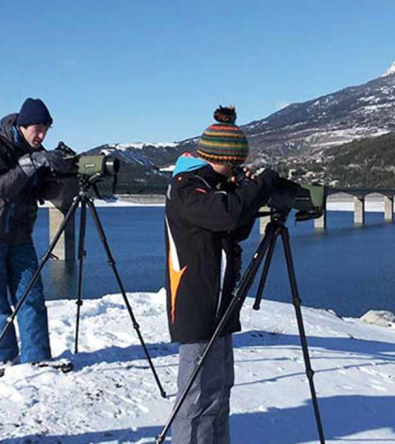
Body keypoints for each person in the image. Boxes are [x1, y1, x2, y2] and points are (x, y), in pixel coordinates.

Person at [165, 106, 279, 443]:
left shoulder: (212, 184)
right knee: (196, 397)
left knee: (220, 391)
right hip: (197, 303)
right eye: (235, 163)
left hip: (220, 304)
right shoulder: (187, 186)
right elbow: (227, 215)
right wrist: (262, 185)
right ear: (225, 158)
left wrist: (243, 190)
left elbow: (234, 230)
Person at [0, 98, 75, 372]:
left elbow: (44, 193)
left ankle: (36, 356)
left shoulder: (36, 152)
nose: (41, 136)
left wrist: (63, 173)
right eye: (37, 129)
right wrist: (33, 162)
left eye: (45, 131)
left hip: (20, 236)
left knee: (32, 297)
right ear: (22, 124)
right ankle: (3, 358)